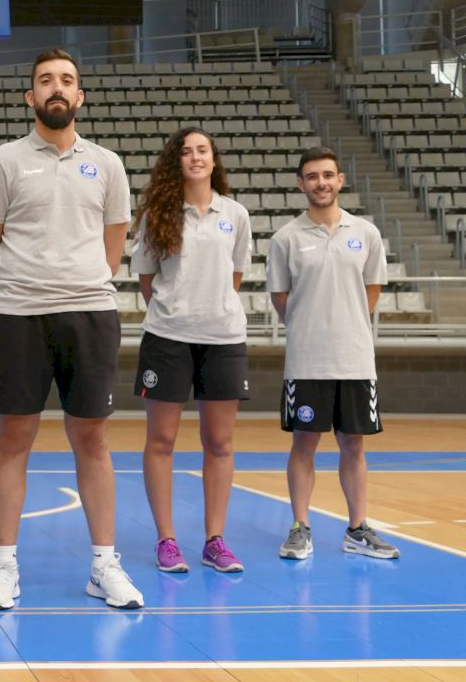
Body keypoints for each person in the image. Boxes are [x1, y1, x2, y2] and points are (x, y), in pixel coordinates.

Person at [0, 48, 143, 611]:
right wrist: (16, 291)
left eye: (67, 80)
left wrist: (80, 283)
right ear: (31, 96)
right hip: (19, 316)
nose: (57, 88)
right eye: (46, 80)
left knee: (92, 439)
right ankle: (4, 565)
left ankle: (104, 565)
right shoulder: (5, 160)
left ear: (80, 96)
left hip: (89, 314)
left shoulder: (108, 165)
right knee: (13, 439)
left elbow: (113, 247)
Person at [268, 146, 399, 561]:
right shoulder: (285, 238)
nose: (320, 182)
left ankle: (357, 529)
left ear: (340, 180)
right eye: (312, 176)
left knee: (353, 444)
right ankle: (300, 528)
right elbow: (280, 298)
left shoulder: (367, 233)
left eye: (327, 175)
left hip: (355, 360)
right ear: (300, 184)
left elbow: (371, 291)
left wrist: (346, 325)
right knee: (304, 444)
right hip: (307, 359)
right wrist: (311, 326)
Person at [130, 127, 252, 574]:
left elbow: (234, 276)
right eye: (186, 152)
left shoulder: (235, 214)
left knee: (219, 443)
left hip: (223, 339)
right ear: (176, 162)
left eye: (203, 150)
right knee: (161, 441)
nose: (196, 157)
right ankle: (166, 540)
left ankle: (215, 540)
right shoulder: (157, 215)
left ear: (214, 159)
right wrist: (178, 311)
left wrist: (208, 309)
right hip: (167, 338)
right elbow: (147, 281)